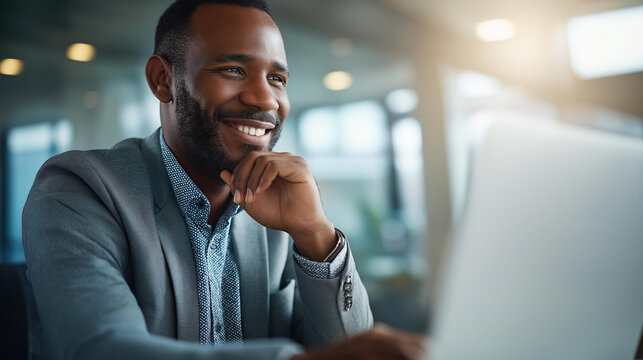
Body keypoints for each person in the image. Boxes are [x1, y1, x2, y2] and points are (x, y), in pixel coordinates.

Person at [22, 0, 425, 359]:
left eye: (277, 79)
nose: (265, 100)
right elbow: (100, 348)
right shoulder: (79, 189)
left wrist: (315, 235)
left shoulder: (278, 215)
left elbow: (347, 348)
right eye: (233, 69)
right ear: (163, 80)